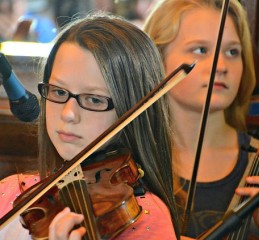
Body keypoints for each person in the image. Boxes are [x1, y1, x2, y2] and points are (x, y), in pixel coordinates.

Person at [0, 12, 180, 239]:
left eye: (94, 99)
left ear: (130, 110)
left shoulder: (145, 219)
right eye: (58, 91)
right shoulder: (11, 195)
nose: (68, 114)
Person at [144, 0, 259, 239]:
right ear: (155, 58)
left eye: (232, 52)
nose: (222, 65)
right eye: (201, 50)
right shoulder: (128, 167)